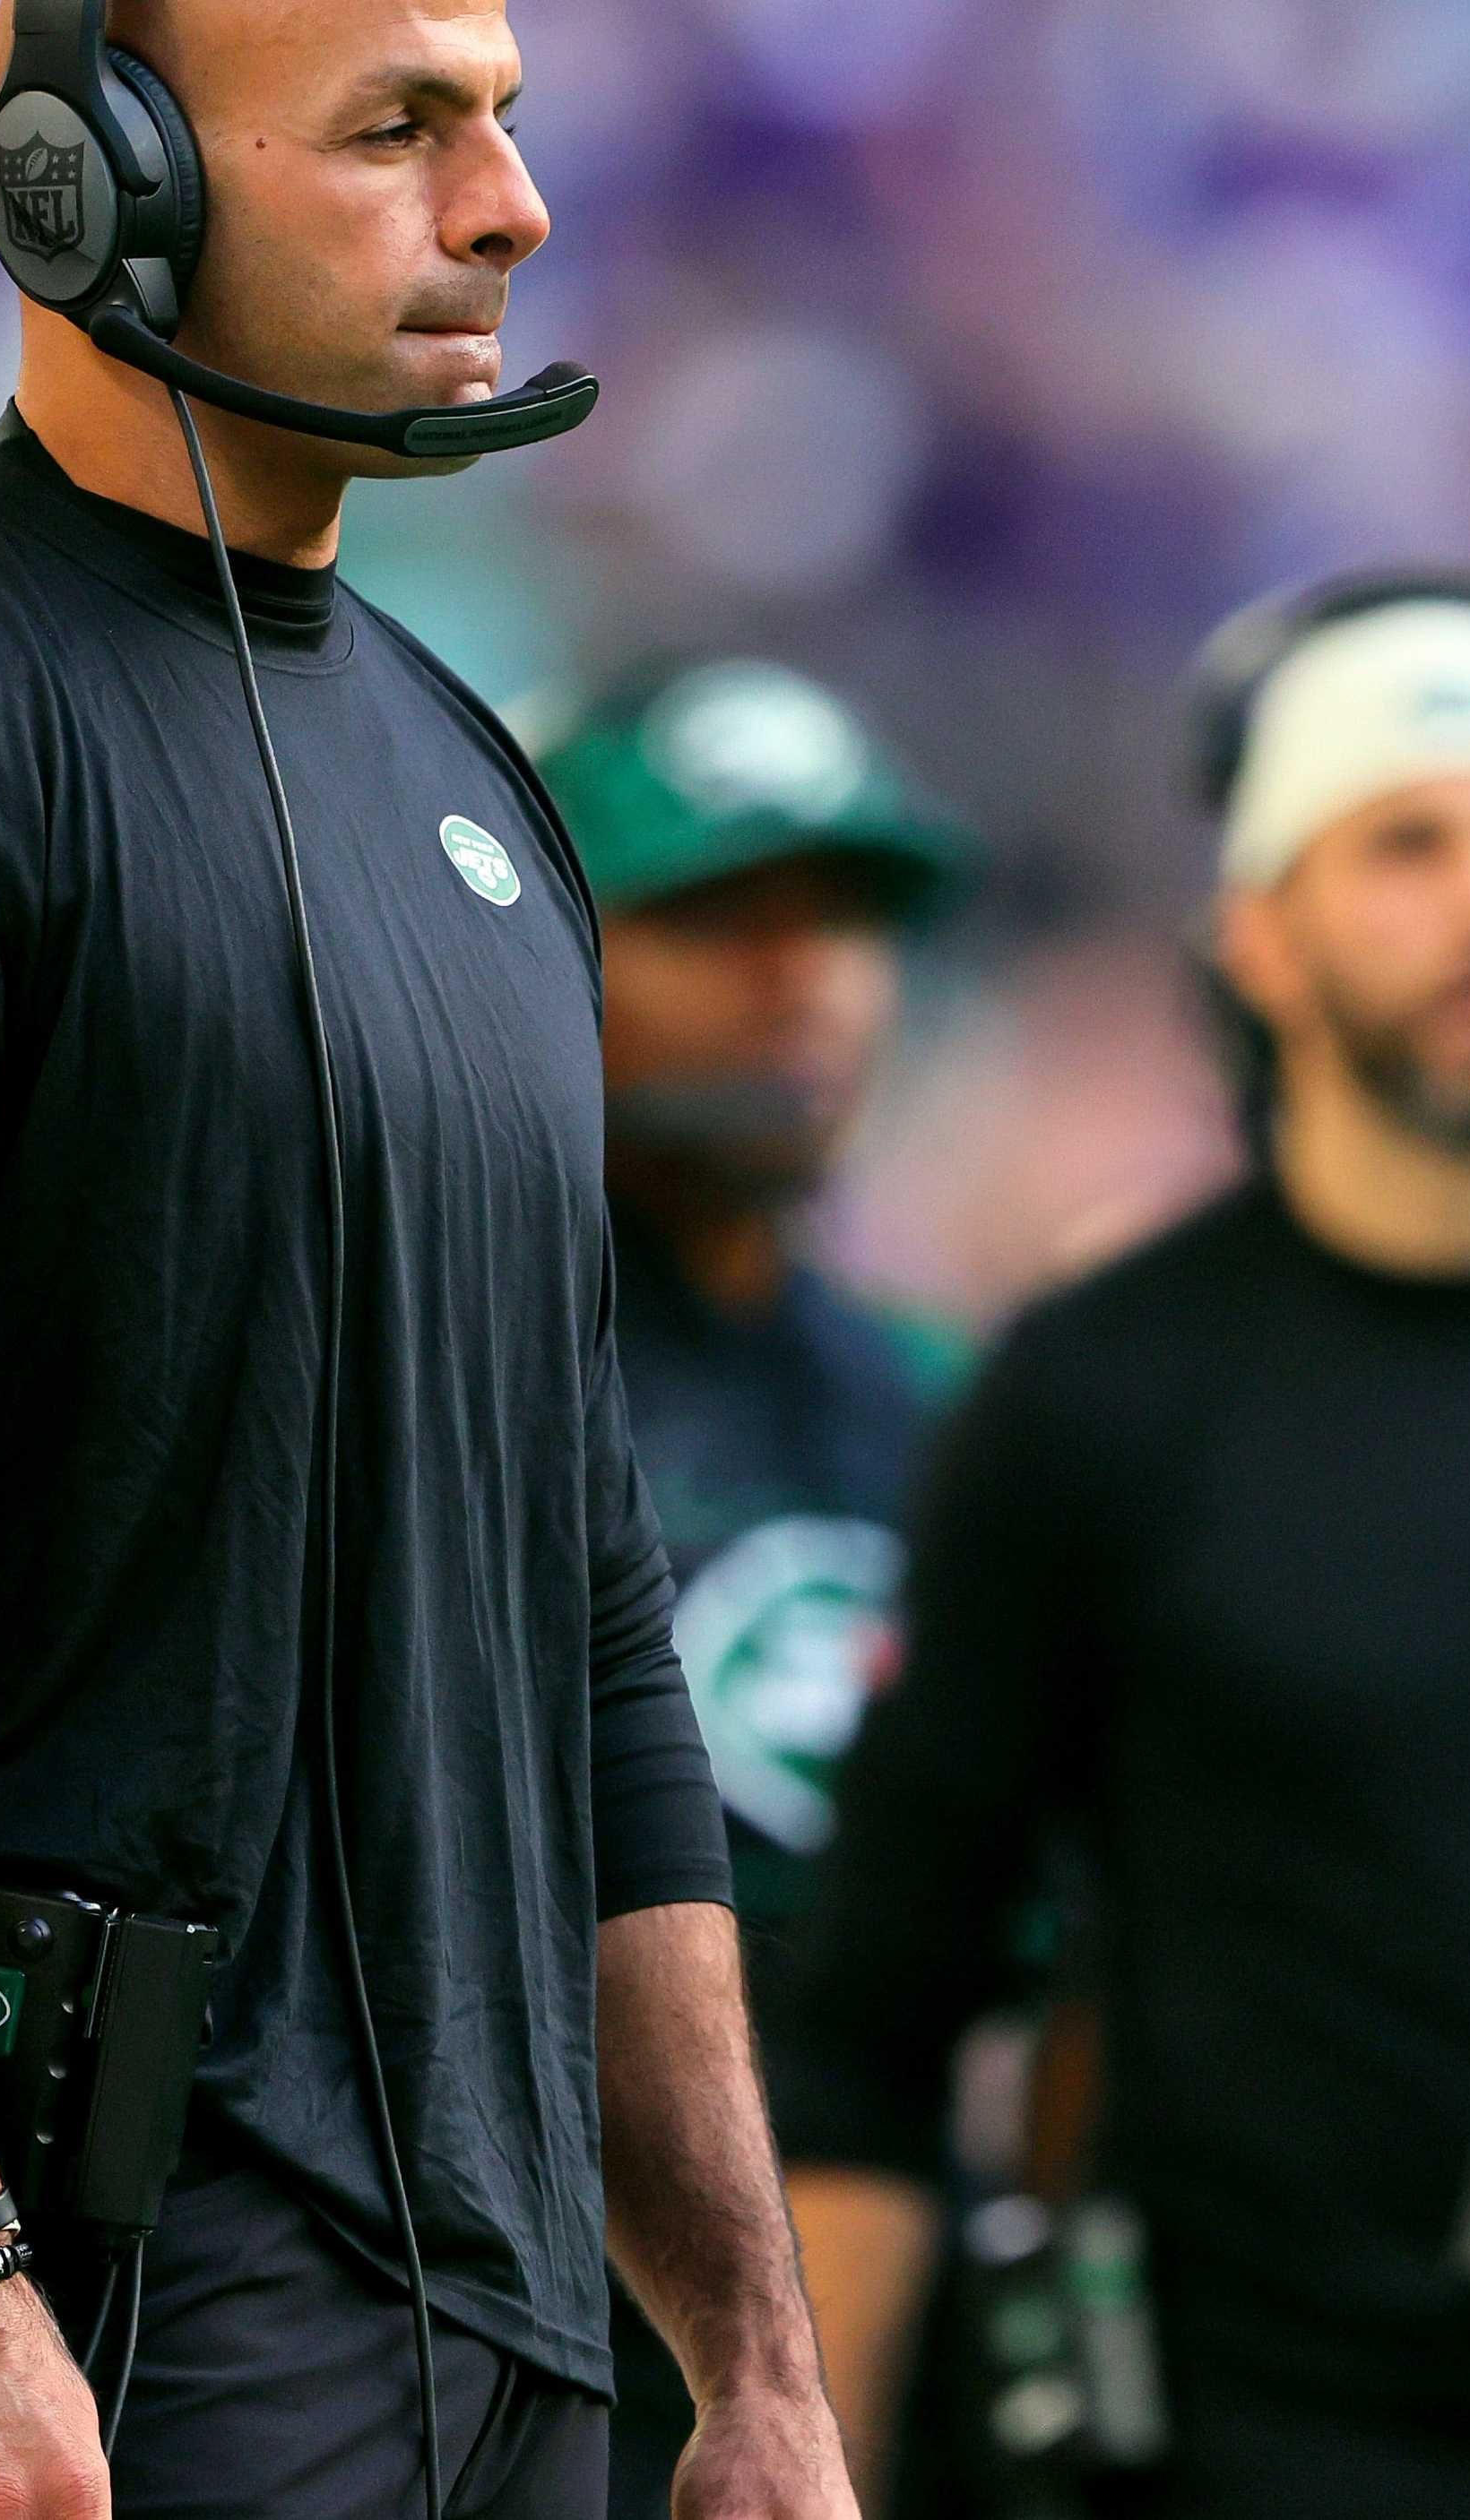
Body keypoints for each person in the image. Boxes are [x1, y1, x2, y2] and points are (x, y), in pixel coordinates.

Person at [0, 1, 847, 2513]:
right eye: (397, 128)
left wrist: (748, 2355)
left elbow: (592, 1627)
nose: (509, 205)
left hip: (500, 2331)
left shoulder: (480, 793)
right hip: (80, 2309)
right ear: (96, 181)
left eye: (504, 118)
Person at [780, 573, 1470, 2519]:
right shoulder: (1102, 1391)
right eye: (1408, 844)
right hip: (1243, 2447)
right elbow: (875, 2022)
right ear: (1260, 931)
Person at [532, 659, 971, 2520]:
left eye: (848, 920)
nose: (808, 979)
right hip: (507, 2332)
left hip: (864, 2324)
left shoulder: (941, 1403)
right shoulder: (445, 1361)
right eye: (720, 918)